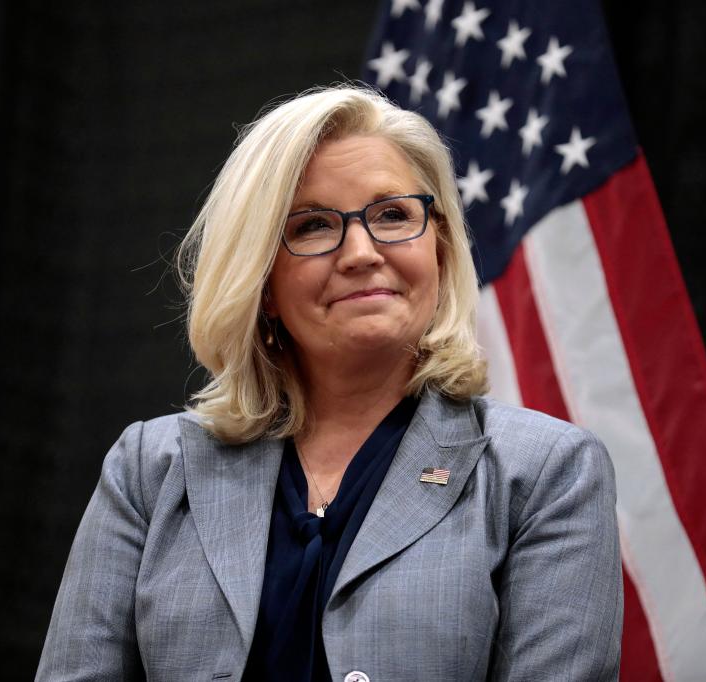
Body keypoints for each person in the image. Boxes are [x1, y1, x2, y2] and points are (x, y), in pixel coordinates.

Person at [37, 85, 622, 681]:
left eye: (393, 215)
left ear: (440, 249)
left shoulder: (548, 473)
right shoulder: (149, 471)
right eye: (314, 225)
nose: (362, 252)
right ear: (260, 280)